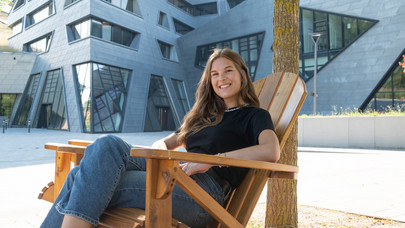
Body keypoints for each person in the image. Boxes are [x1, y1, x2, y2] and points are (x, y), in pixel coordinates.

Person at [41, 48, 280, 228]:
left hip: (204, 196)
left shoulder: (254, 116)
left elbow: (271, 151)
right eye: (215, 74)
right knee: (107, 146)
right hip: (175, 175)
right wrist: (155, 158)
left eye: (228, 70)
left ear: (242, 74)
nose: (221, 78)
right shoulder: (205, 116)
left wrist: (213, 159)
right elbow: (165, 144)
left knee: (84, 178)